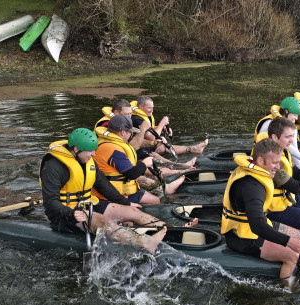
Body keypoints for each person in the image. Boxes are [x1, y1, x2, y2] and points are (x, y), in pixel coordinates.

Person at [39, 128, 167, 253]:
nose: (94, 154)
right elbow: (50, 202)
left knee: (132, 211)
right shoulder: (53, 166)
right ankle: (144, 243)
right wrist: (70, 213)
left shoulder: (87, 160)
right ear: (76, 149)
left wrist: (125, 202)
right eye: (90, 151)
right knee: (103, 221)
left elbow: (104, 186)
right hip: (65, 214)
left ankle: (168, 232)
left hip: (89, 204)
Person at [221, 139, 300, 282]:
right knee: (293, 255)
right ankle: (284, 292)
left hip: (251, 228)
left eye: (278, 162)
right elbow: (257, 225)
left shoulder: (256, 171)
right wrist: (289, 242)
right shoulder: (252, 185)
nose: (278, 167)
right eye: (274, 163)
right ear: (260, 160)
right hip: (242, 237)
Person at [92, 115, 185, 203]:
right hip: (114, 192)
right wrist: (144, 164)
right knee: (156, 201)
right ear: (123, 132)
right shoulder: (113, 149)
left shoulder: (113, 142)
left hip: (122, 183)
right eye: (130, 132)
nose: (131, 135)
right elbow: (132, 173)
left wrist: (153, 144)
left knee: (153, 196)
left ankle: (167, 185)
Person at [131, 95, 208, 158]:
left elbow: (149, 129)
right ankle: (188, 158)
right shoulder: (136, 118)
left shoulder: (144, 113)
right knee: (160, 147)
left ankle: (193, 149)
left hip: (146, 143)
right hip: (137, 147)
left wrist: (163, 128)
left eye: (152, 108)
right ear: (141, 107)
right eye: (149, 108)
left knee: (162, 146)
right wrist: (162, 124)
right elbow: (152, 137)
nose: (152, 111)